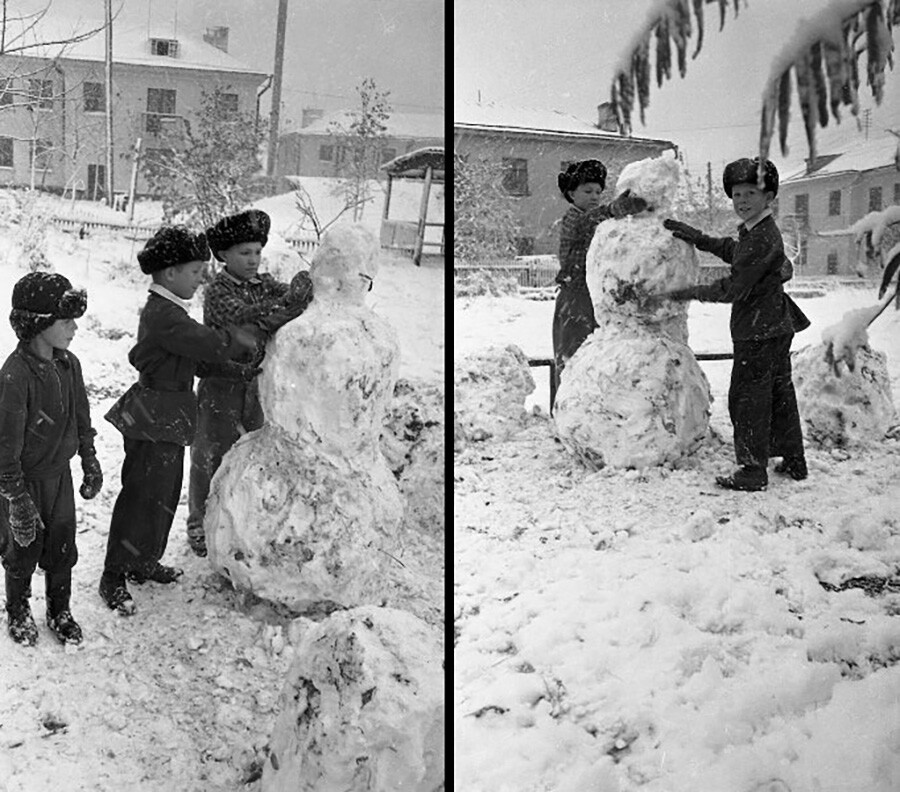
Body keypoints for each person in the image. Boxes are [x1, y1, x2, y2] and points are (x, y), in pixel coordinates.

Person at [99, 226, 258, 615]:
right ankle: (113, 574)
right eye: (194, 271)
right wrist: (246, 335)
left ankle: (143, 560)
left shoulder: (173, 314)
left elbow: (201, 361)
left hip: (166, 417)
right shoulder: (165, 315)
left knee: (164, 496)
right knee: (140, 497)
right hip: (153, 416)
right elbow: (210, 344)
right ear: (170, 274)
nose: (201, 278)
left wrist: (244, 372)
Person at [660, 156, 811, 491]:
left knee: (748, 398)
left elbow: (735, 287)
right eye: (737, 195)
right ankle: (794, 458)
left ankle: (752, 469)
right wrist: (699, 237)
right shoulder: (758, 231)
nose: (742, 201)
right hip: (773, 326)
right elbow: (735, 251)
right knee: (778, 393)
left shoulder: (760, 237)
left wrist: (688, 291)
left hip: (758, 331)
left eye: (750, 194)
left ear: (768, 196)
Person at [186, 209, 313, 557]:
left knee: (252, 454)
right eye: (244, 252)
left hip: (255, 387)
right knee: (208, 456)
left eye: (257, 251)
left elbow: (293, 299)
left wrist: (308, 283)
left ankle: (239, 519)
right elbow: (253, 322)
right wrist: (285, 308)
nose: (253, 260)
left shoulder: (265, 285)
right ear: (223, 255)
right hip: (220, 385)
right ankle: (198, 521)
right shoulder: (218, 293)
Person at [0, 273, 101, 646]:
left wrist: (89, 457)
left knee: (62, 548)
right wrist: (17, 499)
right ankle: (19, 610)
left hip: (60, 479)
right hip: (24, 483)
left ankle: (60, 610)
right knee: (21, 551)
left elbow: (82, 417)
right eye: (66, 320)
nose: (74, 328)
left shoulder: (68, 365)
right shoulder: (14, 376)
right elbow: (4, 447)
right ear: (39, 324)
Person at [552, 159, 650, 400]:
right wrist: (612, 210)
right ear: (571, 193)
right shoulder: (573, 217)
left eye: (598, 191)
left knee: (595, 352)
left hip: (593, 296)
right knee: (572, 354)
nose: (594, 196)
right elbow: (588, 223)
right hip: (574, 296)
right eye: (587, 191)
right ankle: (566, 405)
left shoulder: (599, 221)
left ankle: (589, 405)